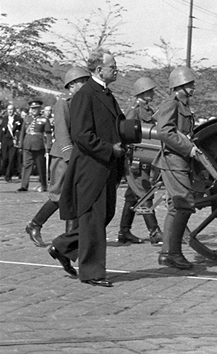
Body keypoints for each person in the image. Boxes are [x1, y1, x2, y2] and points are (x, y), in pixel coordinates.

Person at [49, 48, 127, 287]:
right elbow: (81, 135)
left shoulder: (106, 94)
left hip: (106, 166)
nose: (116, 69)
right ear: (98, 69)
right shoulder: (86, 94)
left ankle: (63, 246)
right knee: (94, 218)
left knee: (103, 215)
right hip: (92, 167)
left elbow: (119, 124)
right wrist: (109, 149)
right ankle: (92, 272)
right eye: (112, 66)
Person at [24, 67, 90, 247]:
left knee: (74, 197)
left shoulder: (83, 102)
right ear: (72, 85)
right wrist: (69, 156)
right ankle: (35, 224)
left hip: (79, 155)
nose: (85, 85)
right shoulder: (63, 103)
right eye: (82, 81)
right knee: (59, 195)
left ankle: (70, 237)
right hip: (63, 155)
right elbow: (61, 132)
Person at [153, 66, 198, 270]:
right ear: (179, 86)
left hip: (180, 160)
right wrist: (188, 148)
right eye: (189, 84)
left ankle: (167, 254)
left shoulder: (183, 105)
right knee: (184, 203)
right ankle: (174, 253)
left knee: (176, 206)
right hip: (173, 160)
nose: (192, 88)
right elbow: (164, 132)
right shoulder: (170, 104)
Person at [117, 77, 163, 245]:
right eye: (150, 91)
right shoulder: (133, 111)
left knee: (132, 196)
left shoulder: (150, 111)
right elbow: (126, 136)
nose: (152, 93)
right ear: (142, 93)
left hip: (145, 157)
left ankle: (124, 232)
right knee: (144, 194)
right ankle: (154, 232)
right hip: (134, 160)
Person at [17, 100, 52, 192]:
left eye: (36, 108)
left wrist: (48, 147)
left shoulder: (44, 119)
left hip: (39, 145)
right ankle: (24, 185)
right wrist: (20, 145)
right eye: (32, 108)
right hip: (27, 145)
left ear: (40, 109)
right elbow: (22, 133)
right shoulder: (27, 119)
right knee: (26, 166)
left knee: (41, 166)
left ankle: (44, 185)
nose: (34, 110)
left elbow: (48, 134)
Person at [1, 104, 23, 182]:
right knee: (5, 158)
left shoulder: (19, 119)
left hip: (13, 141)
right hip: (5, 141)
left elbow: (21, 130)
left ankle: (8, 176)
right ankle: (3, 173)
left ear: (14, 110)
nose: (10, 111)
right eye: (8, 109)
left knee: (11, 158)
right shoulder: (4, 119)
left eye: (11, 109)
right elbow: (1, 131)